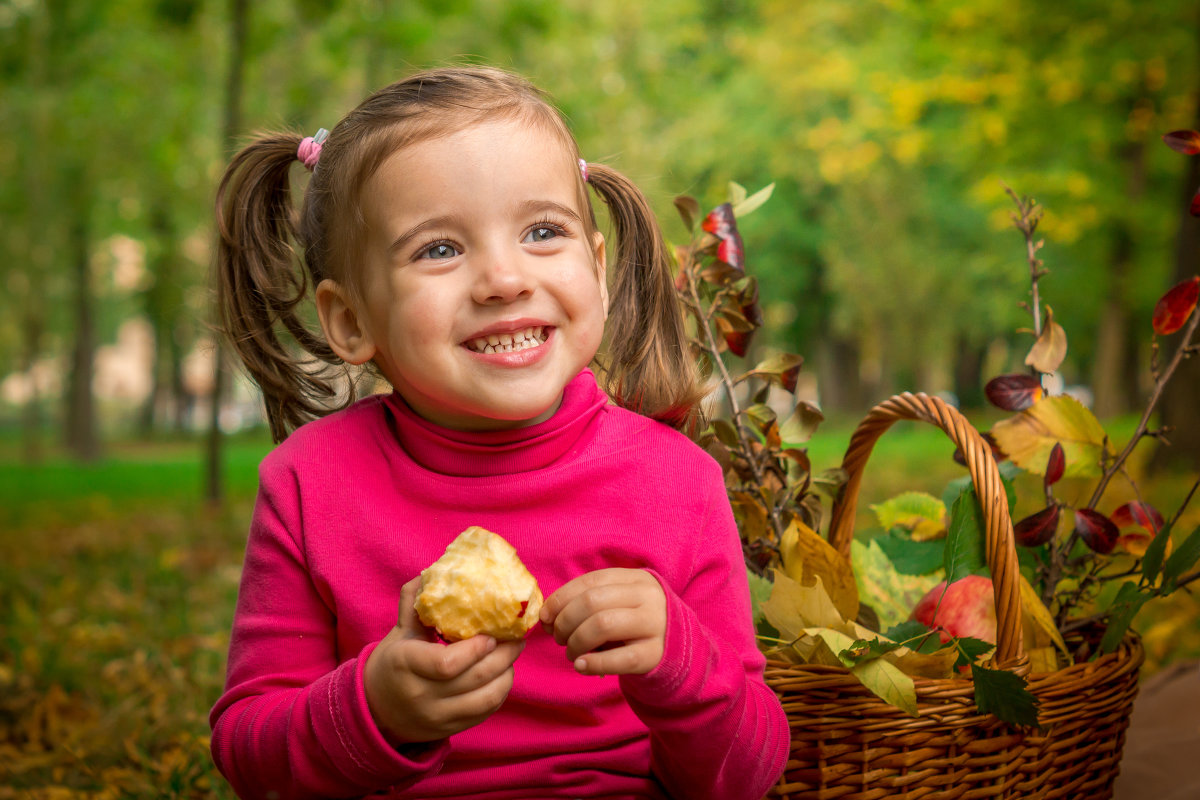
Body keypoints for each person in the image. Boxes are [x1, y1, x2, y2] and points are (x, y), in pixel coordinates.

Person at [208, 65, 789, 800]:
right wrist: (375, 709)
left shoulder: (679, 484)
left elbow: (749, 775)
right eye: (439, 250)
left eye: (543, 231)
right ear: (352, 320)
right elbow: (249, 757)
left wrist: (681, 663)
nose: (504, 279)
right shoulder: (306, 485)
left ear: (598, 270)